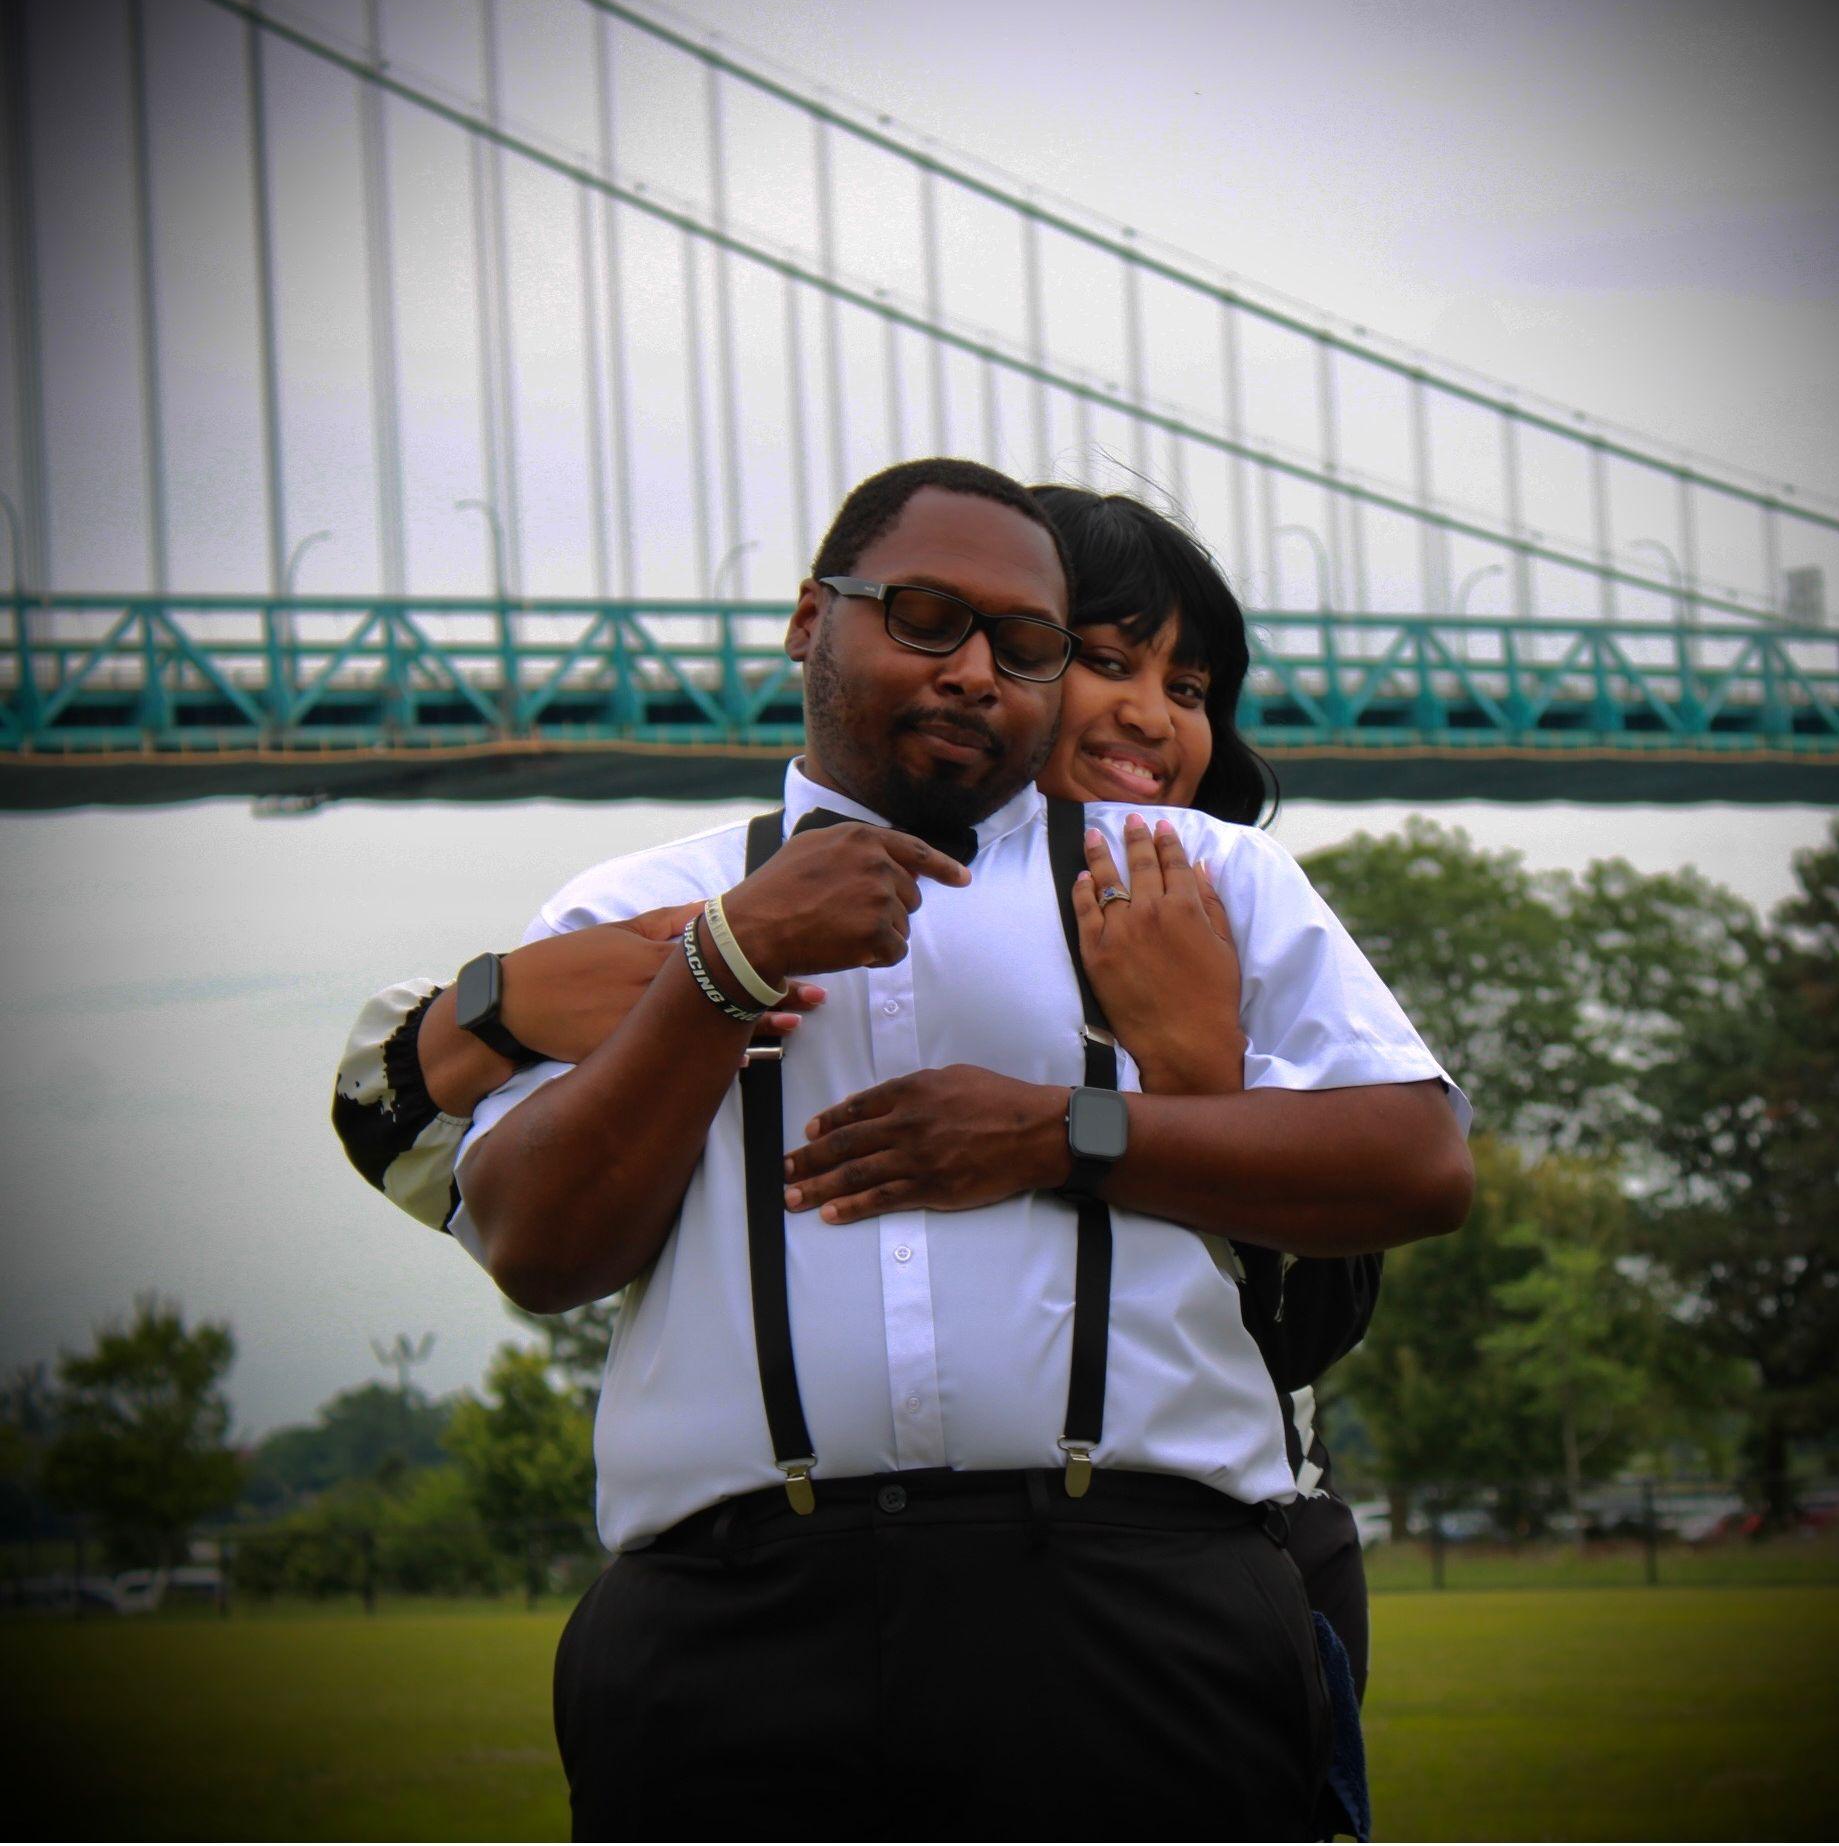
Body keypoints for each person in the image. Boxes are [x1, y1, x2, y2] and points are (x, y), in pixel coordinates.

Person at [340, 458, 1471, 1838]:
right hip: (728, 1628)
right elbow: (539, 1245)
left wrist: (1057, 1129)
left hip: (1141, 1604)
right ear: (810, 617)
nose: (977, 670)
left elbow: (1418, 1166)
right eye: (926, 616)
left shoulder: (1201, 877)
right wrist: (726, 961)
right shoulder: (639, 903)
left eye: (1028, 644)